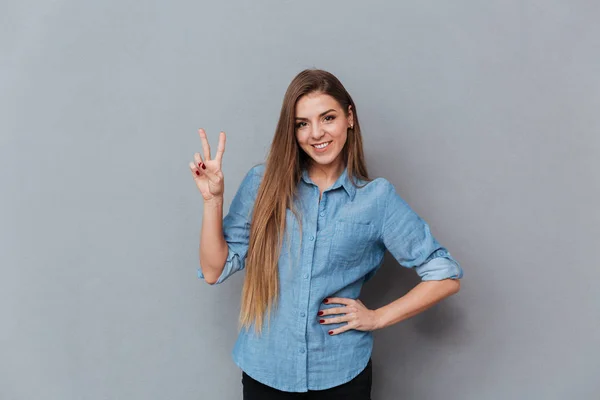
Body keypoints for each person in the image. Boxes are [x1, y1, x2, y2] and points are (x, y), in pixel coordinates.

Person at [189, 69, 463, 399]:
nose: (316, 133)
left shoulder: (375, 200)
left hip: (341, 376)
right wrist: (212, 200)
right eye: (302, 123)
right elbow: (213, 269)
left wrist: (377, 317)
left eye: (327, 117)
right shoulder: (262, 185)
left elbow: (445, 275)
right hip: (265, 371)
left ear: (349, 117)